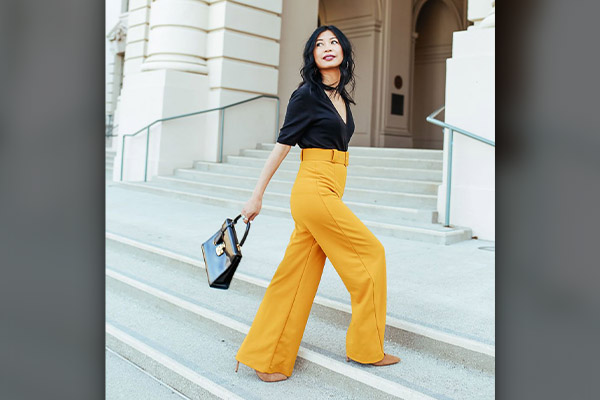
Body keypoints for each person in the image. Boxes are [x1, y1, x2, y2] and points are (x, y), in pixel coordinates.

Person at [234, 25, 400, 383]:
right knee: (371, 254)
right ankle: (366, 349)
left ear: (344, 52)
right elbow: (282, 146)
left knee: (295, 277)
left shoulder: (341, 96)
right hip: (314, 190)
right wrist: (256, 194)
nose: (327, 47)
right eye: (319, 44)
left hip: (329, 189)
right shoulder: (306, 95)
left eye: (334, 42)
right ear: (312, 55)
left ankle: (268, 358)